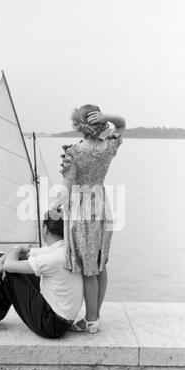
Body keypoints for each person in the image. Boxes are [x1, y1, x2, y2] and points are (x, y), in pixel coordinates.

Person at [0, 211, 84, 339]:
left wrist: (14, 250)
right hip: (61, 321)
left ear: (45, 229)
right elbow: (25, 254)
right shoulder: (62, 250)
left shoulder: (53, 258)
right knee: (21, 269)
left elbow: (9, 265)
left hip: (51, 325)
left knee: (11, 275)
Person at [51, 105, 126, 333]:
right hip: (102, 207)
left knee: (88, 269)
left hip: (82, 211)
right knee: (100, 265)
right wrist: (108, 116)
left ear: (78, 125)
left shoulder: (73, 152)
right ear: (101, 123)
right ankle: (96, 315)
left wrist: (53, 207)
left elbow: (66, 190)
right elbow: (122, 123)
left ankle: (91, 319)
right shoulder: (108, 146)